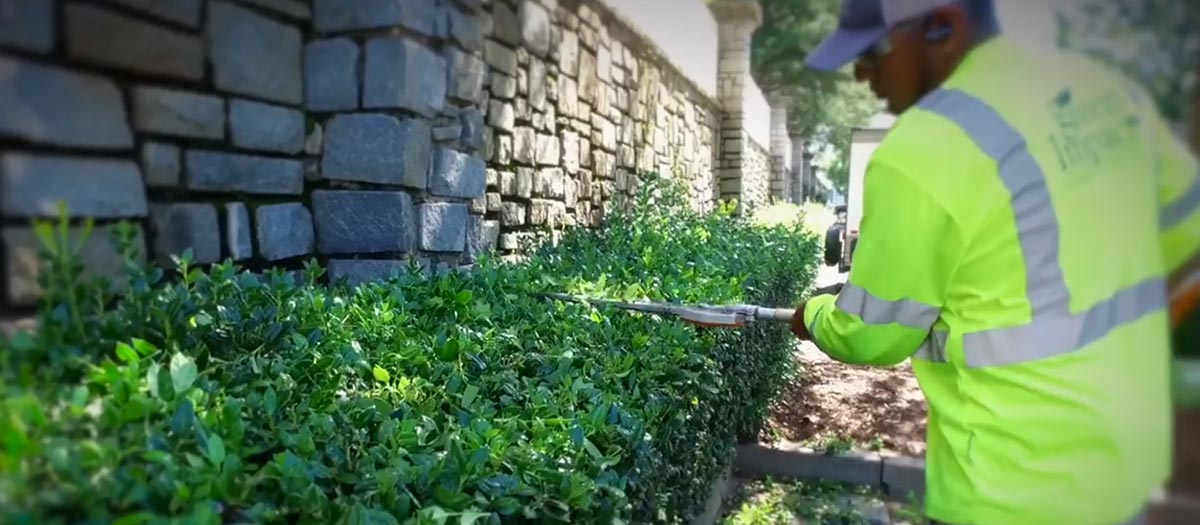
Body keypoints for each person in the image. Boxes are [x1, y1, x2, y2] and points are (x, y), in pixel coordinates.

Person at [789, 0, 1200, 524]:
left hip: (1010, 493)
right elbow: (1185, 236)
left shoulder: (921, 152)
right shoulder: (1104, 90)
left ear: (944, 26)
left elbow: (871, 334)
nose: (861, 74)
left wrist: (814, 316)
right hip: (1124, 479)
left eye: (871, 53)